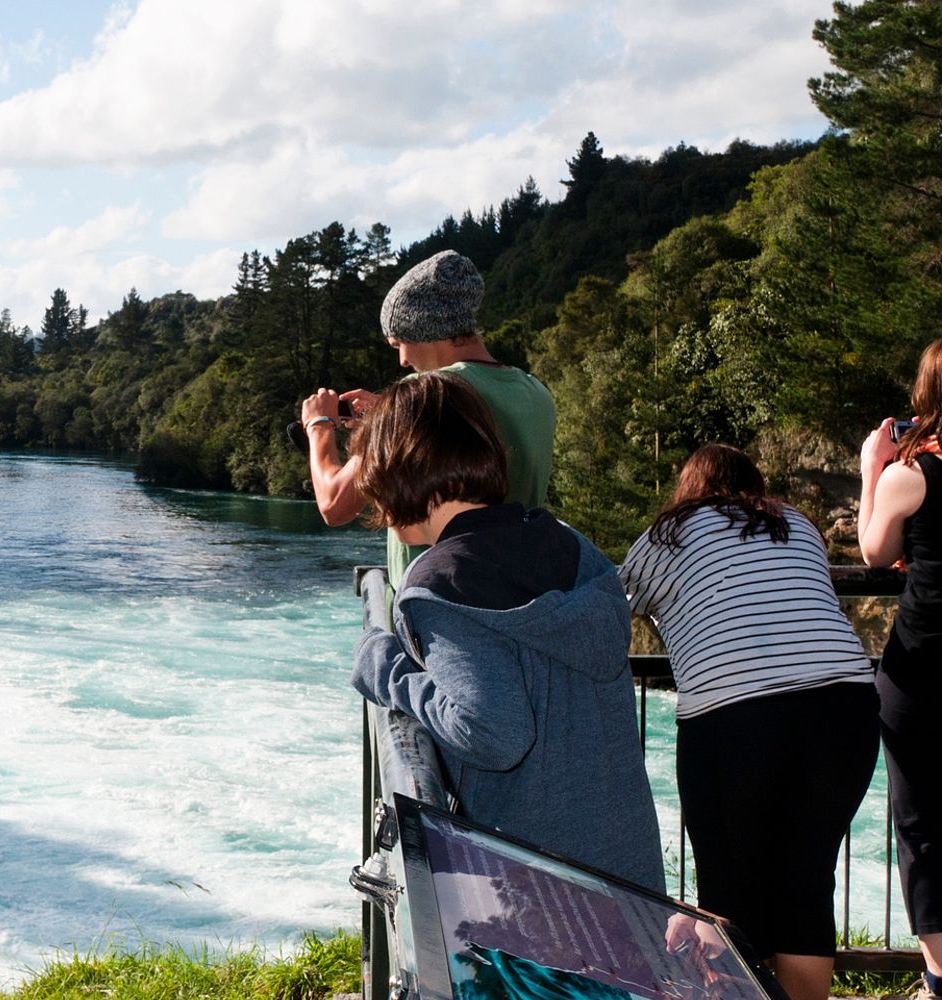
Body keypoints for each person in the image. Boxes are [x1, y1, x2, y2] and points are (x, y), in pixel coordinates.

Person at [348, 370, 666, 891]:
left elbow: (492, 733)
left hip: (535, 888)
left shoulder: (439, 585)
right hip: (627, 872)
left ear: (401, 470)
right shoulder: (574, 548)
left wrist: (387, 670)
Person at [622, 444, 877, 1000]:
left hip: (738, 712)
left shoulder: (671, 531)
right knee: (806, 881)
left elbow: (616, 603)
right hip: (846, 705)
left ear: (688, 489)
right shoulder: (796, 524)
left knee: (729, 891)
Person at [301, 249, 555, 588]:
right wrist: (388, 420)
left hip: (436, 597)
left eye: (398, 344)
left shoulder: (424, 396)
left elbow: (334, 504)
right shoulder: (537, 392)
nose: (403, 361)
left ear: (422, 330)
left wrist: (318, 425)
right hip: (515, 589)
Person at [859, 337, 942, 1000]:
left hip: (921, 671)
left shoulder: (911, 474)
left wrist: (872, 467)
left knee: (922, 827)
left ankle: (940, 975)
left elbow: (873, 551)